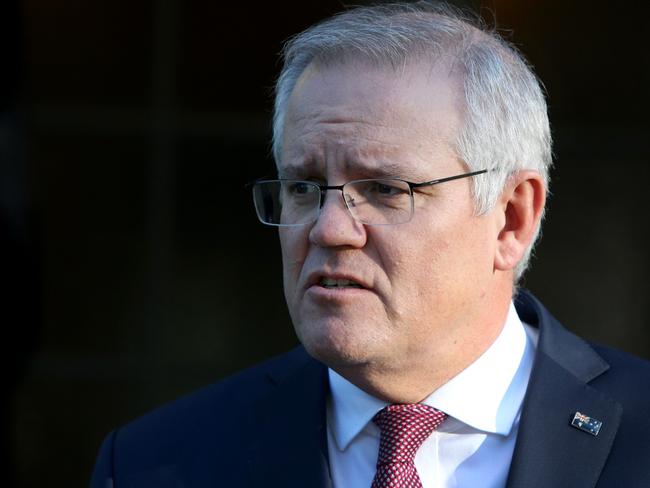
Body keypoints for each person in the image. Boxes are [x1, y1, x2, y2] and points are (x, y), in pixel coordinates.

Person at [90, 2, 650, 487]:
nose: (329, 228)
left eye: (385, 190)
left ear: (510, 218)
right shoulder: (155, 463)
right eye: (305, 187)